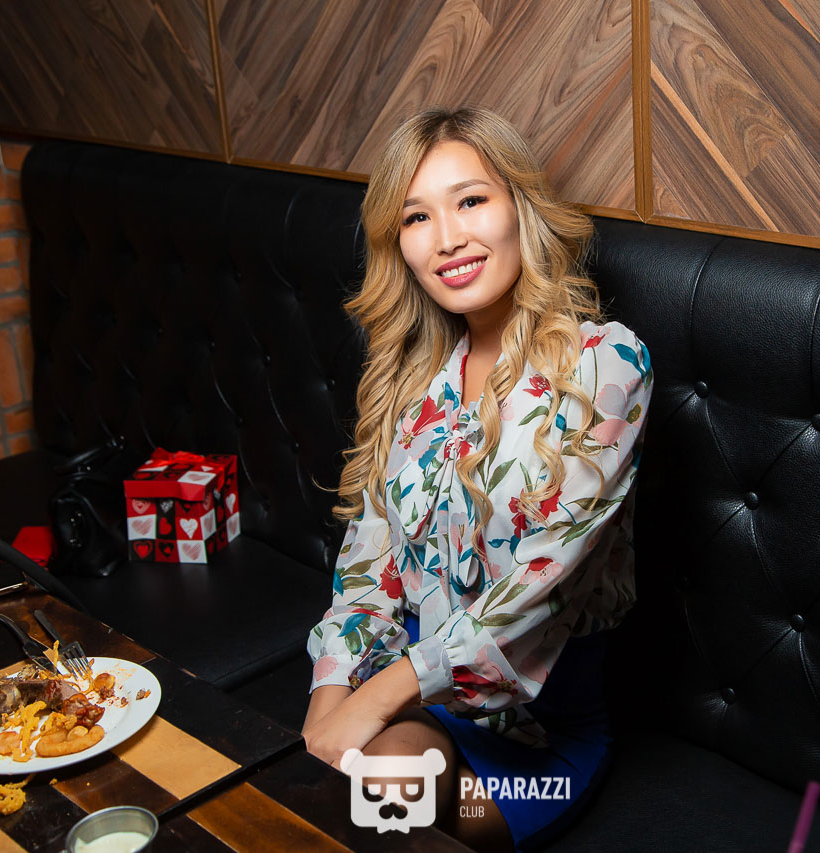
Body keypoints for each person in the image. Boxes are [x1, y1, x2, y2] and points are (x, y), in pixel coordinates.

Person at [303, 106, 653, 852]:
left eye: (470, 200)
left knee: (400, 818)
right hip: (420, 707)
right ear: (399, 244)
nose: (448, 238)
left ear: (520, 207)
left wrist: (375, 700)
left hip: (538, 739)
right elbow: (369, 565)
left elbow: (538, 588)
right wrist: (329, 700)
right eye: (416, 216)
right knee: (365, 800)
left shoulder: (605, 364)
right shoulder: (414, 380)